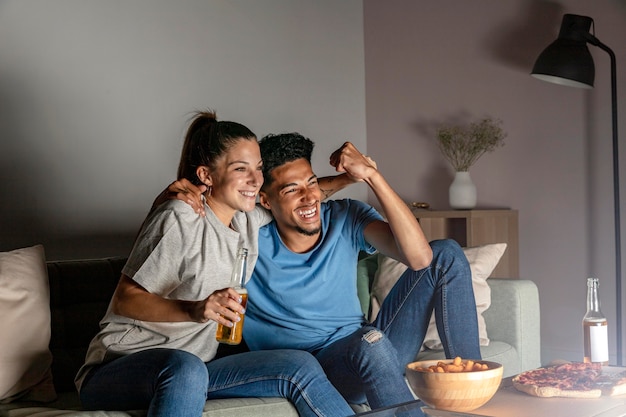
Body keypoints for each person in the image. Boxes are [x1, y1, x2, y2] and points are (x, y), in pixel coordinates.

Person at [76, 112, 356, 417]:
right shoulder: (181, 216)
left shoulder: (248, 219)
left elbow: (295, 195)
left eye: (259, 168)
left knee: (298, 364)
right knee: (186, 369)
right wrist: (194, 309)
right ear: (207, 176)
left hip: (196, 367)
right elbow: (124, 300)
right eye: (241, 169)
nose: (255, 180)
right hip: (119, 369)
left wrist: (352, 176)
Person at [242, 133, 481, 412]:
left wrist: (372, 176)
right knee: (370, 344)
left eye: (311, 184)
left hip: (367, 351)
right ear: (265, 201)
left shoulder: (345, 216)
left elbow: (420, 259)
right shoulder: (248, 237)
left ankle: (472, 388)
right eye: (291, 190)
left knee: (446, 254)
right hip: (310, 370)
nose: (309, 198)